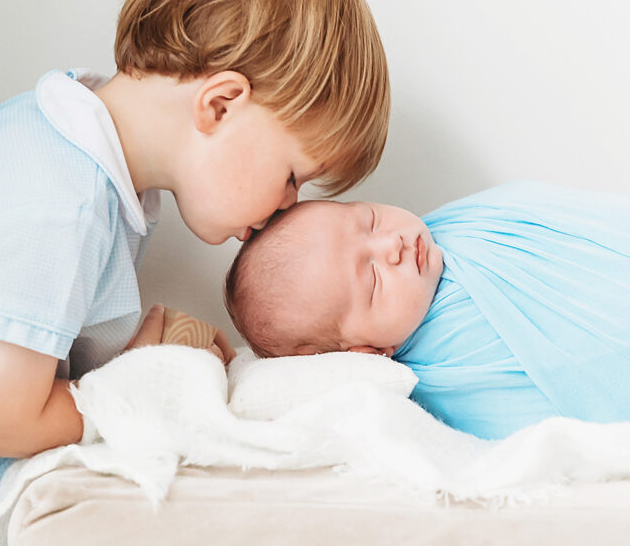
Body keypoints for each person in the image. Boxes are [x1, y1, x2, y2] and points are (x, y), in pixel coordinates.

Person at [0, 0, 390, 546]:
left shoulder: (60, 138)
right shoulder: (62, 203)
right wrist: (129, 385)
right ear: (219, 103)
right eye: (293, 176)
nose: (286, 210)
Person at [225, 180, 630, 440]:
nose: (391, 245)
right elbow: (524, 416)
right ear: (366, 351)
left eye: (370, 221)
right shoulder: (446, 366)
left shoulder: (466, 221)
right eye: (374, 280)